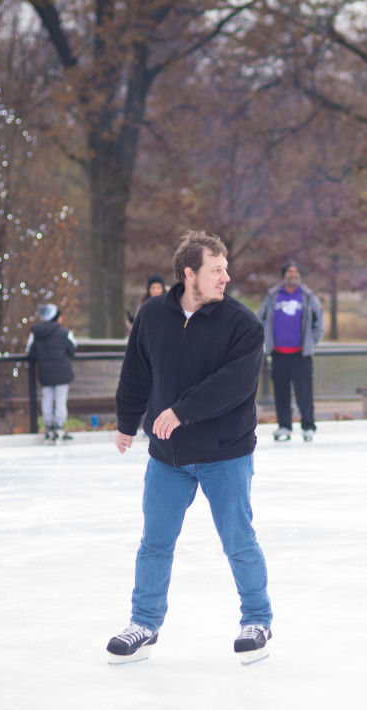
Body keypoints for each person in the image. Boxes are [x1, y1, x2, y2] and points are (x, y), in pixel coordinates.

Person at [108, 229, 273, 665]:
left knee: (238, 541)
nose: (225, 277)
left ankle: (257, 619)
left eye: (226, 269)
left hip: (225, 454)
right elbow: (137, 373)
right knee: (155, 542)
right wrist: (127, 422)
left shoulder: (243, 324)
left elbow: (236, 385)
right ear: (190, 274)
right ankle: (144, 622)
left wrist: (182, 411)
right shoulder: (153, 316)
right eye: (216, 270)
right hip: (169, 457)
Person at [257, 261, 324, 442]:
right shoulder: (273, 296)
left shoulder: (308, 297)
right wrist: (266, 341)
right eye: (289, 271)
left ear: (299, 275)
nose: (292, 274)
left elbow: (319, 322)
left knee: (304, 393)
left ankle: (308, 427)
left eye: (295, 271)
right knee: (281, 393)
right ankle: (284, 426)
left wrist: (312, 341)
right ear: (283, 275)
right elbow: (260, 318)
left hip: (301, 355)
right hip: (278, 354)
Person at [25, 303, 77, 443]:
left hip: (45, 372)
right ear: (56, 318)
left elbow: (30, 352)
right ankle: (59, 427)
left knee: (47, 398)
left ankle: (49, 427)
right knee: (60, 400)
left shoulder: (35, 334)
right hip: (62, 372)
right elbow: (72, 350)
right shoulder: (65, 333)